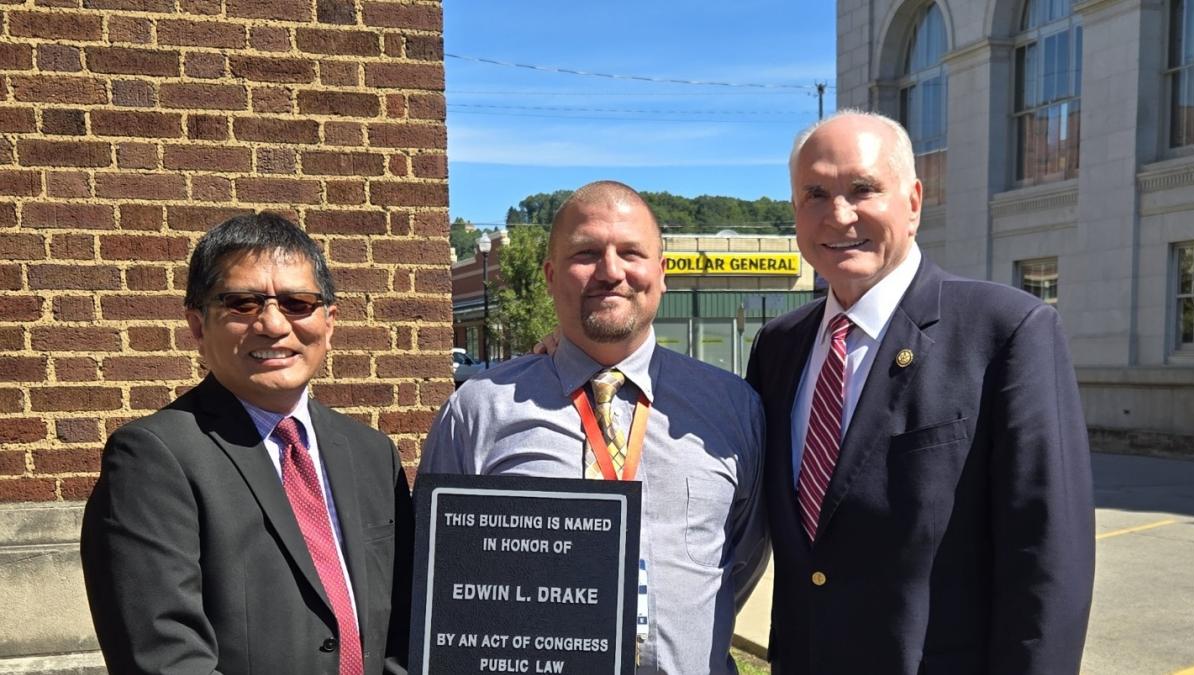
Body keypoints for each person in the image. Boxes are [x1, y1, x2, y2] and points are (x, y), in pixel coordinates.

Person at [745, 111, 1094, 674]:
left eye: (863, 189)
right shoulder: (778, 347)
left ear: (913, 201)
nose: (839, 214)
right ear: (795, 212)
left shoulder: (1006, 330)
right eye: (815, 193)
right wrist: (583, 351)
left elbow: (1049, 557)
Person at [420, 181, 768, 674]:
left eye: (631, 252)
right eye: (586, 253)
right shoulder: (478, 412)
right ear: (550, 275)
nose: (611, 271)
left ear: (661, 273)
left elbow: (740, 560)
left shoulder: (733, 409)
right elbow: (445, 580)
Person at [80, 213, 414, 675]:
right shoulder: (154, 458)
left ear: (329, 322)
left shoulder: (373, 454)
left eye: (298, 303)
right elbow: (166, 660)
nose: (274, 324)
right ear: (198, 326)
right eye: (242, 304)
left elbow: (406, 629)